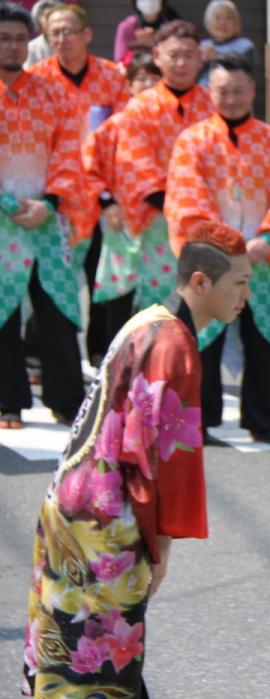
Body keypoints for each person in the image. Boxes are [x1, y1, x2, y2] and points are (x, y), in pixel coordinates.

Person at [22, 220, 251, 699]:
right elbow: (158, 459)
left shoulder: (148, 320)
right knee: (98, 661)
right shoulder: (173, 343)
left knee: (86, 656)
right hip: (106, 520)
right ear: (201, 281)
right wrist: (161, 544)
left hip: (75, 503)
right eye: (239, 283)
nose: (245, 295)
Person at [166, 53, 270, 447]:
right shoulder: (192, 141)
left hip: (262, 259)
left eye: (238, 91)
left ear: (253, 91)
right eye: (222, 91)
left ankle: (264, 421)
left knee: (261, 340)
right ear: (209, 92)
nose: (230, 99)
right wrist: (222, 245)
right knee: (203, 340)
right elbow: (187, 199)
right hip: (212, 260)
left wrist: (269, 238)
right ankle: (199, 420)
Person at [30, 2, 132, 365]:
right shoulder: (37, 79)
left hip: (103, 197)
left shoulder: (112, 77)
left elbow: (125, 135)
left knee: (103, 279)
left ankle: (101, 356)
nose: (63, 39)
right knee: (52, 282)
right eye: (54, 33)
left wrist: (114, 195)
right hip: (55, 197)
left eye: (69, 31)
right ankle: (38, 353)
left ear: (87, 34)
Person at [0, 1, 87, 430]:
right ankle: (7, 402)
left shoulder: (52, 93)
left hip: (48, 219)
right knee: (3, 312)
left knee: (58, 308)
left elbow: (70, 151)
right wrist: (9, 204)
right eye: (4, 38)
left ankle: (67, 400)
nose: (13, 47)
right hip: (1, 222)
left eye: (21, 39)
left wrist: (49, 203)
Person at [104, 20, 213, 315]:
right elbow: (134, 165)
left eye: (189, 55)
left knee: (203, 312)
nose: (181, 63)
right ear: (157, 56)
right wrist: (175, 208)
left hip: (206, 221)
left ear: (200, 58)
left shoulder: (212, 105)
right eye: (173, 55)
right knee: (157, 312)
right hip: (155, 221)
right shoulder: (139, 108)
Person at [80, 49, 162, 362]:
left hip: (162, 224)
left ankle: (154, 364)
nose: (147, 84)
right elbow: (89, 165)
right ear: (128, 85)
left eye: (154, 78)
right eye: (140, 78)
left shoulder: (174, 124)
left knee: (159, 299)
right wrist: (107, 202)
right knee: (116, 295)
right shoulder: (114, 125)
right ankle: (108, 357)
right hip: (120, 222)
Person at [198, 0, 254, 87]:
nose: (222, 23)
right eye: (217, 18)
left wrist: (215, 59)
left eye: (228, 18)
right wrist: (203, 62)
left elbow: (246, 74)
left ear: (236, 23)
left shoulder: (245, 46)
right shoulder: (202, 45)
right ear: (208, 23)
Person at [113, 0, 179, 65]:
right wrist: (139, 44)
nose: (149, 2)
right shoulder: (127, 26)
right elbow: (120, 60)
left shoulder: (172, 25)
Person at [20, 0, 55, 66]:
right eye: (48, 16)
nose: (52, 20)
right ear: (38, 20)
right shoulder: (31, 48)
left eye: (54, 16)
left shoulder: (69, 42)